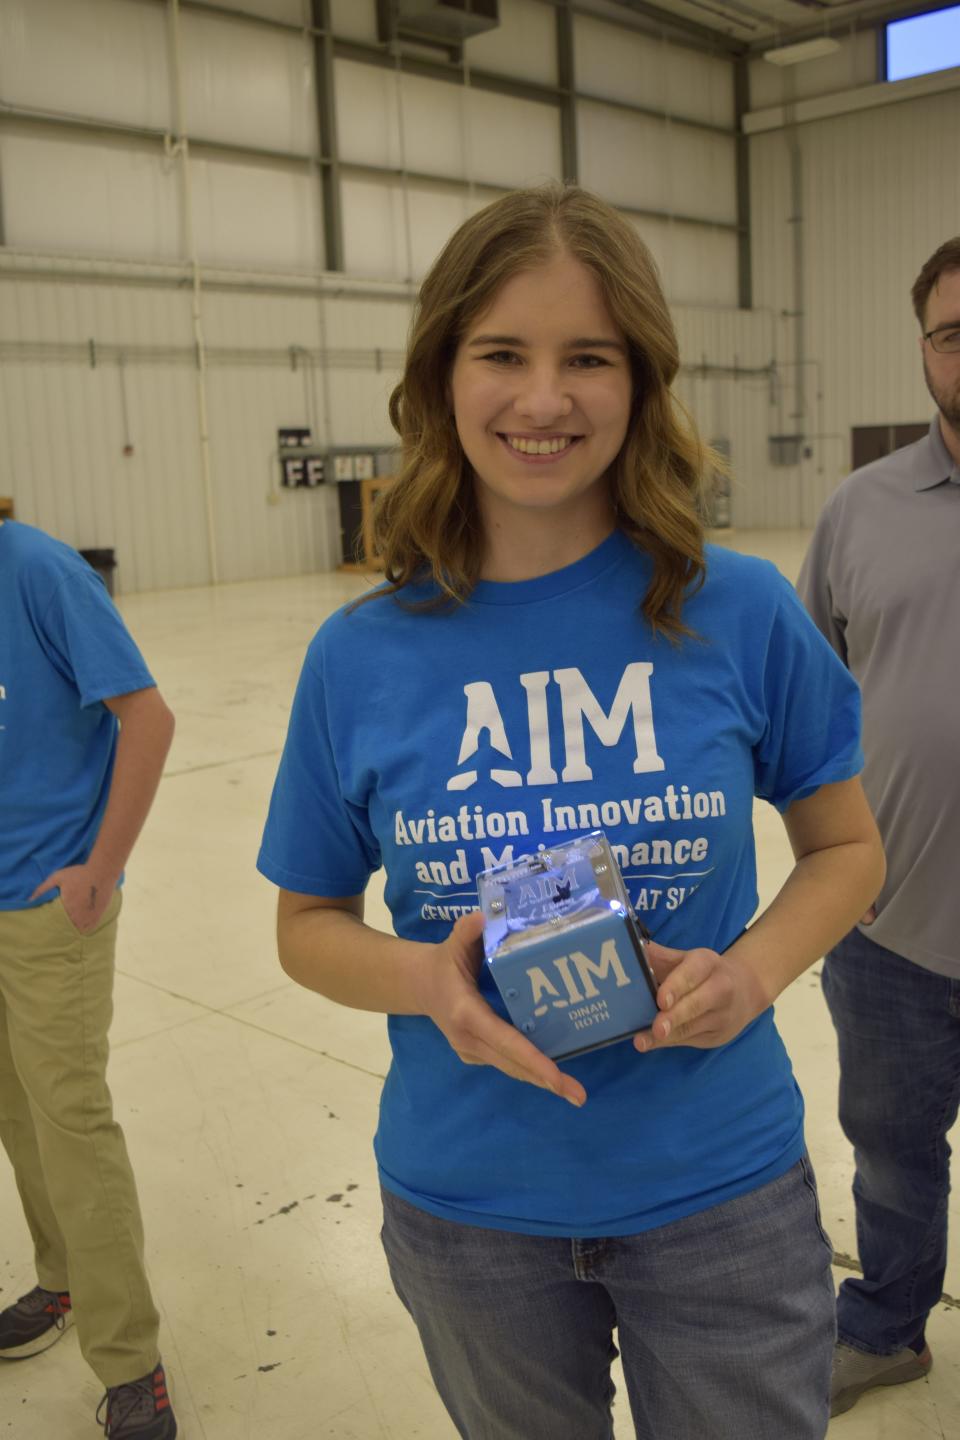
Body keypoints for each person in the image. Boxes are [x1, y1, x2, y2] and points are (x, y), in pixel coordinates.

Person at [257, 183, 884, 1440]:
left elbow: (848, 849)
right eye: (502, 354)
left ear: (642, 382)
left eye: (587, 358)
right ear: (441, 374)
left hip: (717, 1190)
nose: (543, 401)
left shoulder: (739, 609)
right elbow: (309, 921)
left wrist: (752, 974)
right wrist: (431, 986)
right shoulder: (359, 655)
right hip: (469, 1207)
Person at [798, 236, 960, 1418]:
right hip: (893, 928)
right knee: (894, 1156)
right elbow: (813, 694)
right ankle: (891, 1328)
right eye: (953, 333)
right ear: (924, 351)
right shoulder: (861, 508)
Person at [0, 520, 178, 1440]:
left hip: (44, 902)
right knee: (18, 1111)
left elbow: (147, 715)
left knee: (69, 1115)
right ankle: (62, 1275)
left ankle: (130, 1364)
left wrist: (99, 869)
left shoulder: (37, 570)